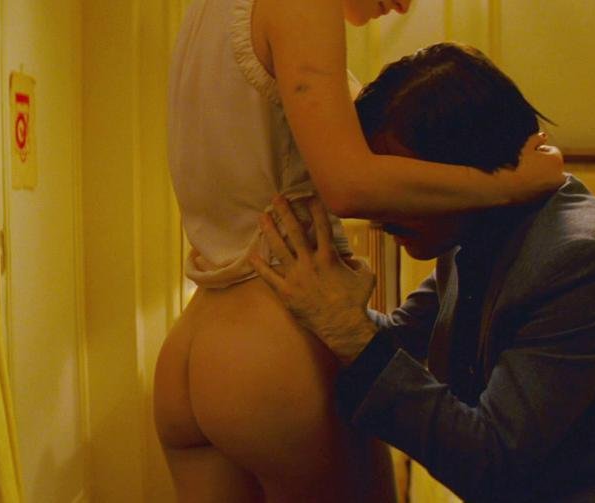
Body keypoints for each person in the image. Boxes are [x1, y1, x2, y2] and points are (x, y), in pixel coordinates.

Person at [251, 43, 595, 502]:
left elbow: (489, 462)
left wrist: (347, 329)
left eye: (405, 181)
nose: (380, 207)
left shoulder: (584, 261)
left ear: (468, 170)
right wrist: (319, 304)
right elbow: (399, 345)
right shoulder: (478, 232)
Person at [155, 0, 565, 501]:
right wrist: (511, 183)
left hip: (192, 346)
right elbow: (348, 184)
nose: (405, 4)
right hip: (275, 347)